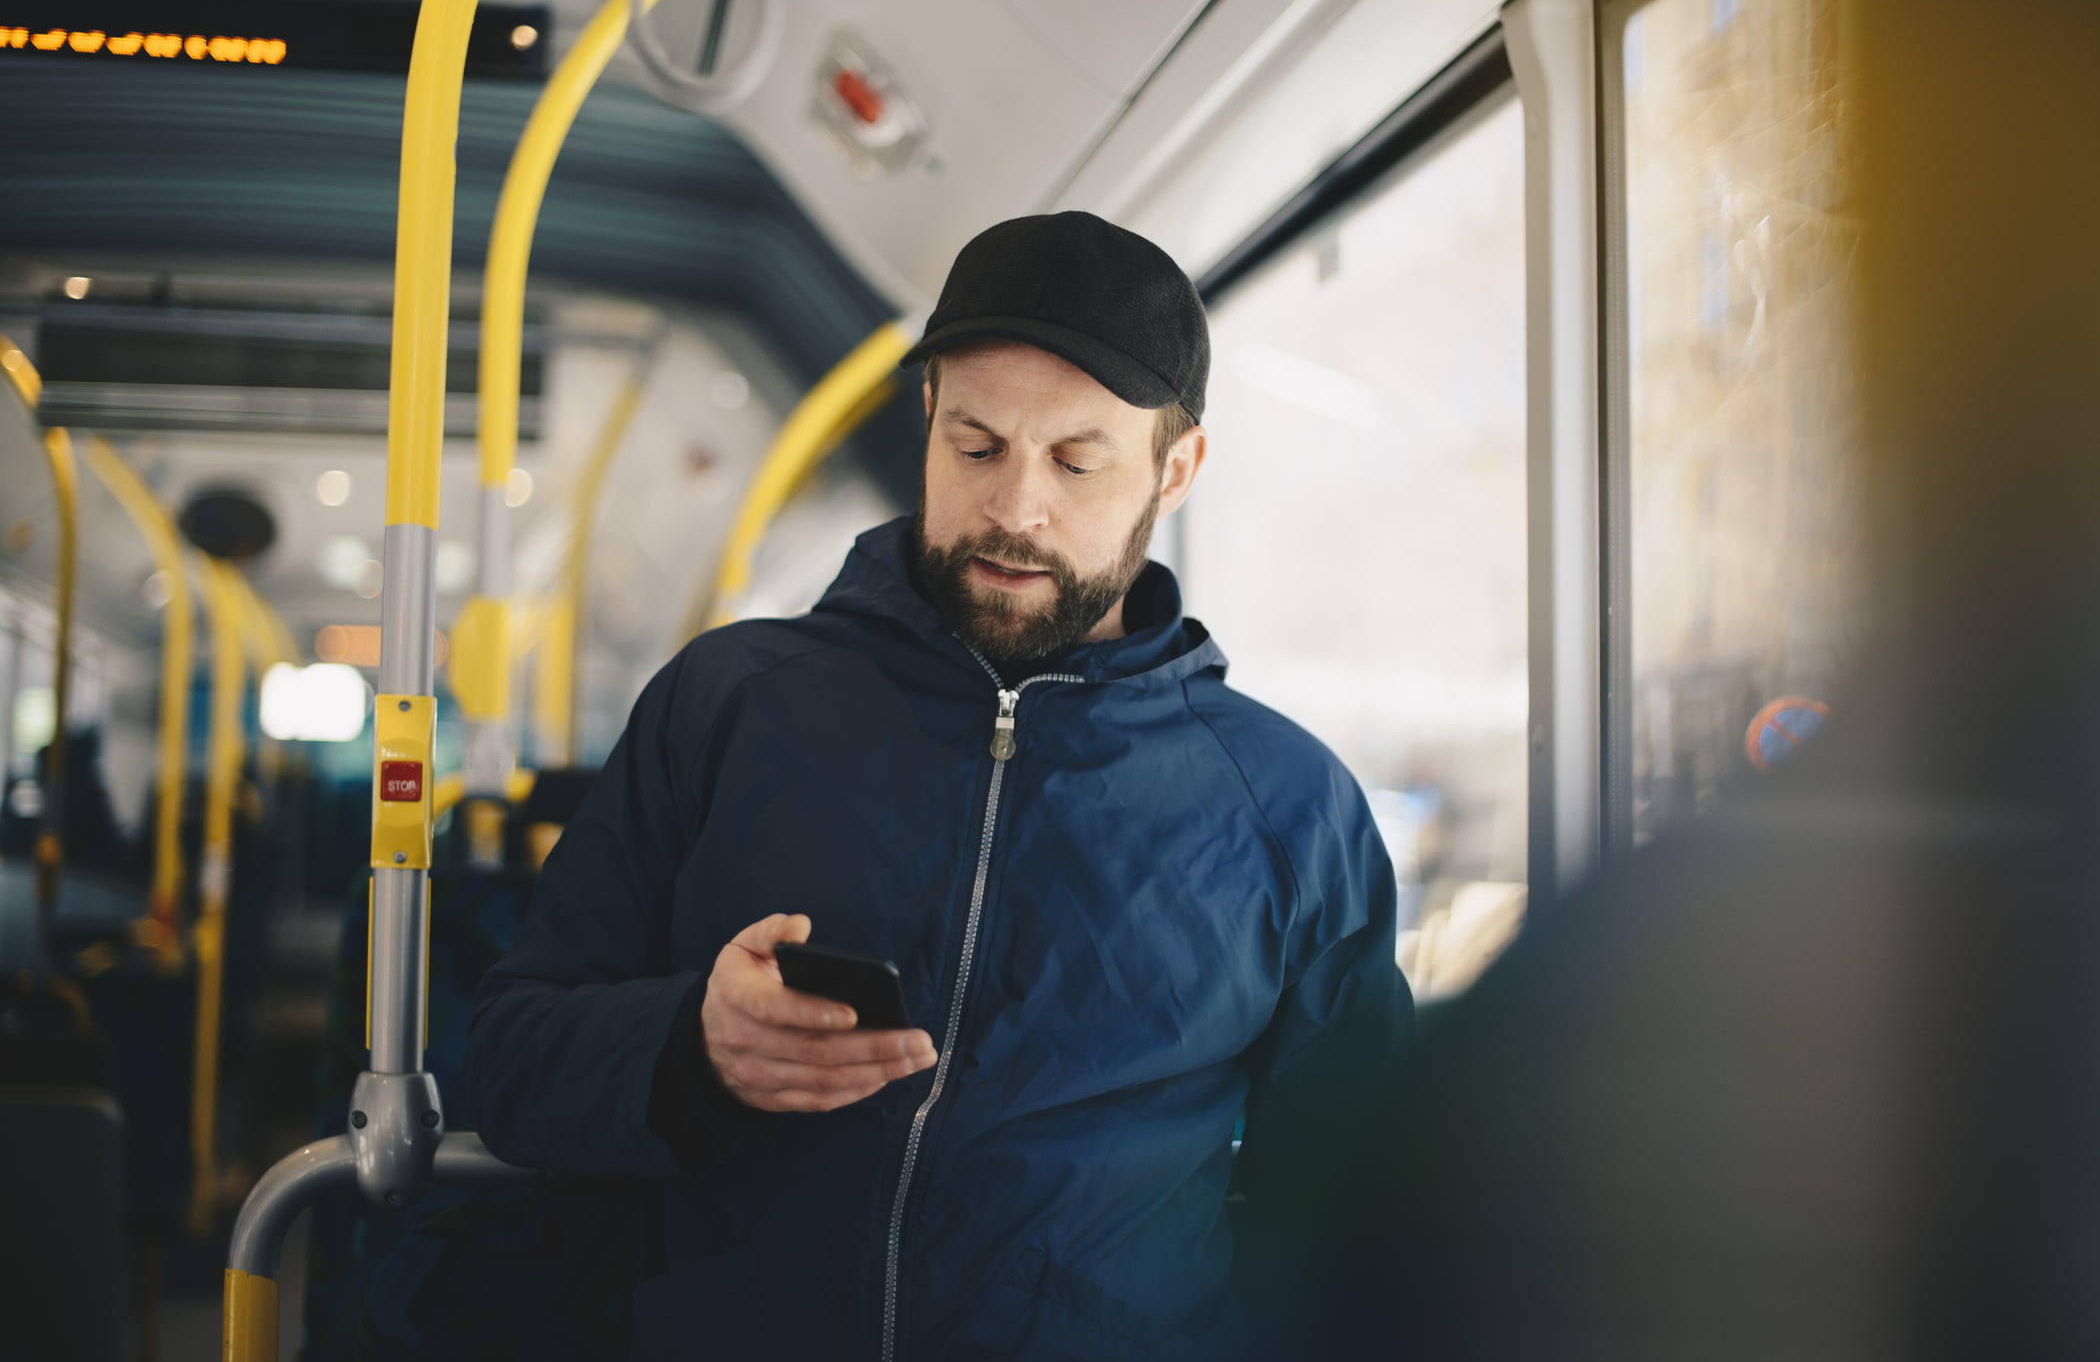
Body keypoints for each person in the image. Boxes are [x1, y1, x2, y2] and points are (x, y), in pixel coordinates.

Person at [463, 211, 1413, 1360]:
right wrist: (688, 1045)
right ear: (926, 419)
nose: (1016, 507)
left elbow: (1353, 1212)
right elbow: (508, 1060)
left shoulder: (1288, 810)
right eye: (976, 445)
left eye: (1075, 460)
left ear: (1176, 469)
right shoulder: (727, 703)